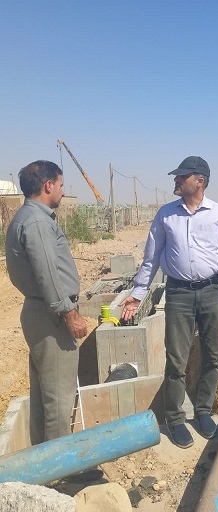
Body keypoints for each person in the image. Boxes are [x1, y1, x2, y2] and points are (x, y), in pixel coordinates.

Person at [120, 156, 218, 449]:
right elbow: (151, 258)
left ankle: (203, 411)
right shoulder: (166, 215)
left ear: (199, 181)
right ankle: (175, 418)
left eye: (181, 176)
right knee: (177, 359)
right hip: (179, 294)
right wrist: (137, 294)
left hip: (212, 291)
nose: (175, 180)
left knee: (212, 356)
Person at [5, 161, 89, 445]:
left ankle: (43, 458)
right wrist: (69, 312)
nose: (63, 191)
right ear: (48, 185)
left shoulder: (28, 217)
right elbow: (48, 273)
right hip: (52, 316)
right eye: (61, 185)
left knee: (45, 396)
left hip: (42, 311)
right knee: (59, 402)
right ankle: (60, 465)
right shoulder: (38, 222)